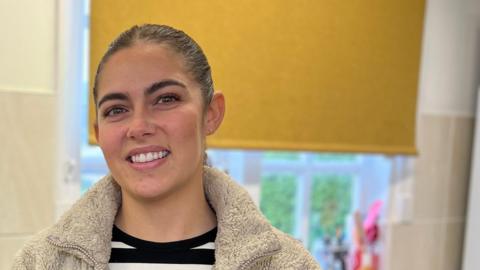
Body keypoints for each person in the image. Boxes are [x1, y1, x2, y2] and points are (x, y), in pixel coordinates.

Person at [12, 24, 321, 270]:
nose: (139, 127)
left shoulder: (288, 265)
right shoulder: (39, 262)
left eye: (166, 99)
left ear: (211, 113)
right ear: (98, 133)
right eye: (116, 109)